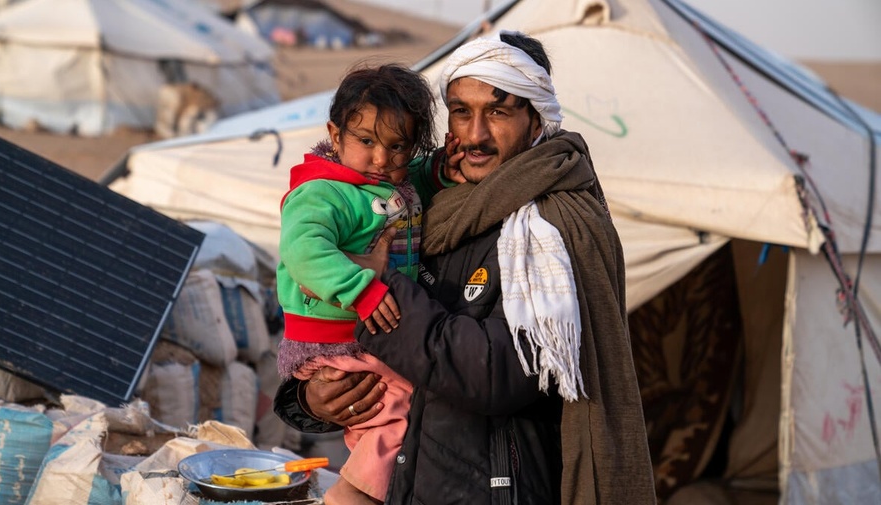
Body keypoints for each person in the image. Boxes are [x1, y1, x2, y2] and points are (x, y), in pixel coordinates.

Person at [275, 31, 656, 504]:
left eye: (497, 111)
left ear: (536, 118)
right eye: (461, 111)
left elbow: (501, 373)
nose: (474, 134)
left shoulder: (554, 227)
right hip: (415, 481)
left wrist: (381, 283)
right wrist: (312, 401)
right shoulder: (431, 207)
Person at [274, 63, 446, 505]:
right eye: (366, 141)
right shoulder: (324, 192)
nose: (382, 160)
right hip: (333, 340)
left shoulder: (387, 183)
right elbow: (304, 251)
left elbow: (413, 182)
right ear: (335, 136)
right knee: (396, 410)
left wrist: (440, 170)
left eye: (397, 147)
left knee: (387, 414)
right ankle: (353, 497)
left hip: (361, 337)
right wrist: (362, 289)